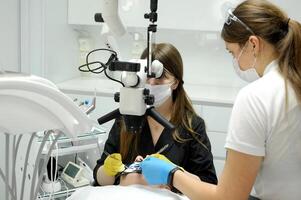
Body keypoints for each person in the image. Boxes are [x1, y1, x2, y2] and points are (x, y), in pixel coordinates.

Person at [139, 1, 301, 200]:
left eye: (232, 52)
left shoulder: (256, 97)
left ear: (253, 44)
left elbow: (229, 198)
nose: (236, 63)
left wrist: (171, 174)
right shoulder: (292, 85)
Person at [93, 43, 217, 189]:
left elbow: (208, 183)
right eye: (147, 77)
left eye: (160, 77)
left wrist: (172, 174)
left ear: (175, 82)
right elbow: (98, 176)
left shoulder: (191, 125)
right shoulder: (126, 118)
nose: (151, 83)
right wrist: (116, 173)